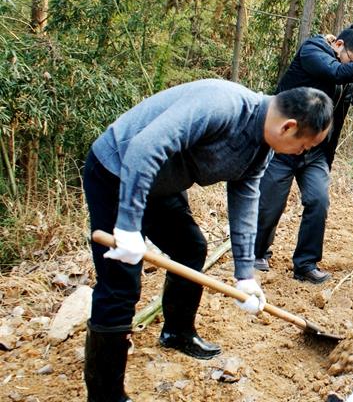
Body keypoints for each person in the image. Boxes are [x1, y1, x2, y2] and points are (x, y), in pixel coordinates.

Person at [81, 78, 333, 402]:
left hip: (162, 185)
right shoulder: (221, 105)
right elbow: (144, 148)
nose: (303, 153)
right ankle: (105, 396)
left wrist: (245, 275)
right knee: (120, 286)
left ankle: (177, 332)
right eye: (305, 146)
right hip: (117, 172)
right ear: (288, 127)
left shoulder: (263, 147)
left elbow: (246, 196)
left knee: (190, 248)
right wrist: (128, 226)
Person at [254, 24, 353, 284]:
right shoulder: (313, 51)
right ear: (339, 45)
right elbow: (336, 72)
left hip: (316, 152)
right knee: (271, 203)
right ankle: (256, 253)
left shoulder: (347, 75)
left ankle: (306, 264)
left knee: (318, 201)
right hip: (285, 144)